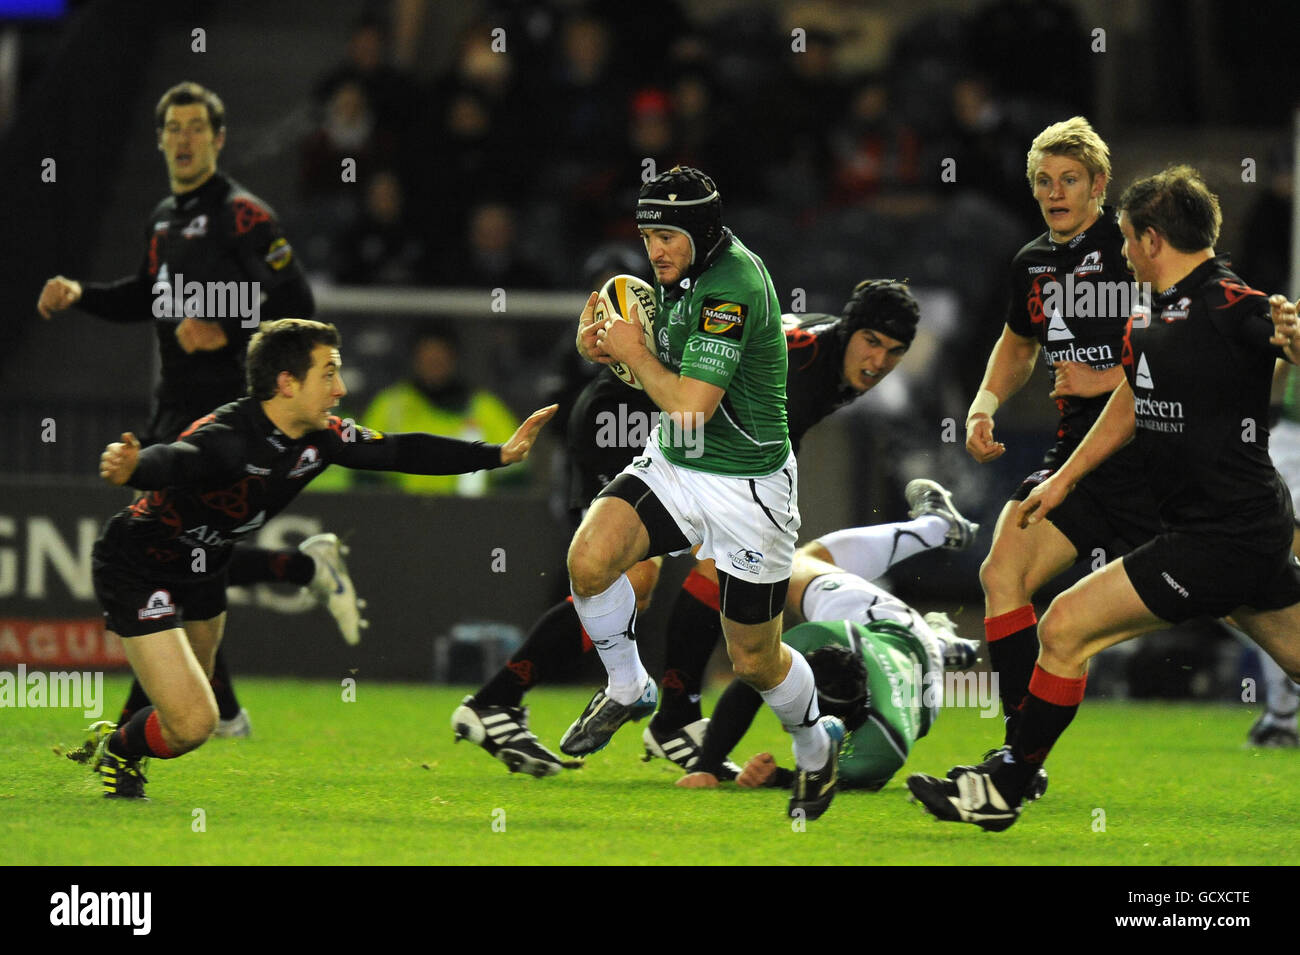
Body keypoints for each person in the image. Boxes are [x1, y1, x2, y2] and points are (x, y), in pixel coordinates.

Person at [907, 166, 1300, 831]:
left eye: (1125, 239)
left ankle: (1003, 786)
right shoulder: (1150, 306)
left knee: (1062, 625)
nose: (1120, 252)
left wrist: (1292, 333)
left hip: (1219, 536)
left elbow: (1278, 331)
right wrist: (1063, 480)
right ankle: (1006, 779)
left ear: (1151, 239)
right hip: (1237, 532)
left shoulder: (1230, 302)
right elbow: (1131, 398)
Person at [453, 277, 955, 789]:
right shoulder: (803, 368)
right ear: (848, 329)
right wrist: (616, 345)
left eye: (894, 352)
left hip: (686, 430)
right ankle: (499, 702)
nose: (878, 361)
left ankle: (672, 717)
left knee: (709, 568)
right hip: (630, 417)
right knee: (643, 574)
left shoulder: (829, 356)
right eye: (871, 342)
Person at [72, 318, 556, 798]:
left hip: (203, 568)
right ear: (286, 383)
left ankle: (121, 745)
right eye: (328, 374)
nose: (340, 388)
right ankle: (117, 748)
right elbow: (176, 459)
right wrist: (136, 466)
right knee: (197, 722)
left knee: (185, 710)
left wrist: (497, 454)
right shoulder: (230, 437)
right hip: (137, 565)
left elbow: (402, 452)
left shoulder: (321, 437)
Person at [36, 82, 361, 739]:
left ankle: (145, 724)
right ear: (160, 139)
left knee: (176, 553)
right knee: (189, 559)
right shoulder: (162, 217)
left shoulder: (244, 217)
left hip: (226, 420)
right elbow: (145, 295)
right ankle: (229, 700)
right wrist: (81, 295)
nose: (183, 139)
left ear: (218, 138)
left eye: (195, 128)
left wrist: (228, 329)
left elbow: (298, 309)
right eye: (172, 128)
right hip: (173, 414)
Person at [569, 164, 884, 820]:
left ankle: (814, 741)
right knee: (589, 559)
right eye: (649, 233)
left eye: (668, 236)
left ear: (703, 229)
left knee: (753, 657)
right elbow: (664, 388)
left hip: (748, 489)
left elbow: (689, 403)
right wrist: (611, 350)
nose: (655, 249)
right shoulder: (677, 277)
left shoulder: (731, 285)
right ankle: (627, 686)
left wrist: (635, 350)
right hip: (677, 464)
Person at [961, 117, 1160, 773]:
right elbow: (1019, 342)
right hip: (1077, 463)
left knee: (1255, 609)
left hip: (1159, 464)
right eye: (1044, 181)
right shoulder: (1032, 263)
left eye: (1070, 179)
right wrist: (986, 403)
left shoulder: (1137, 247)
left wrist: (1105, 377)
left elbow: (1185, 338)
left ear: (1099, 184)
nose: (1056, 192)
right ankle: (1022, 753)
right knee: (1001, 572)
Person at [670, 548, 982, 793]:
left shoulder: (884, 742)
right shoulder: (822, 636)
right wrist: (706, 766)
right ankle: (940, 638)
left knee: (795, 564)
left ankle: (939, 644)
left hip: (923, 682)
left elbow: (843, 780)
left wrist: (777, 777)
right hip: (879, 626)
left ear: (850, 721)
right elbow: (751, 678)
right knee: (796, 562)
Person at [359, 322, 521, 495]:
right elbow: (364, 477)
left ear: (454, 359)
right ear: (415, 359)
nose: (434, 365)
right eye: (427, 358)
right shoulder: (389, 406)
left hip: (469, 516)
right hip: (401, 515)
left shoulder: (484, 409)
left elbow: (515, 478)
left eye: (440, 359)